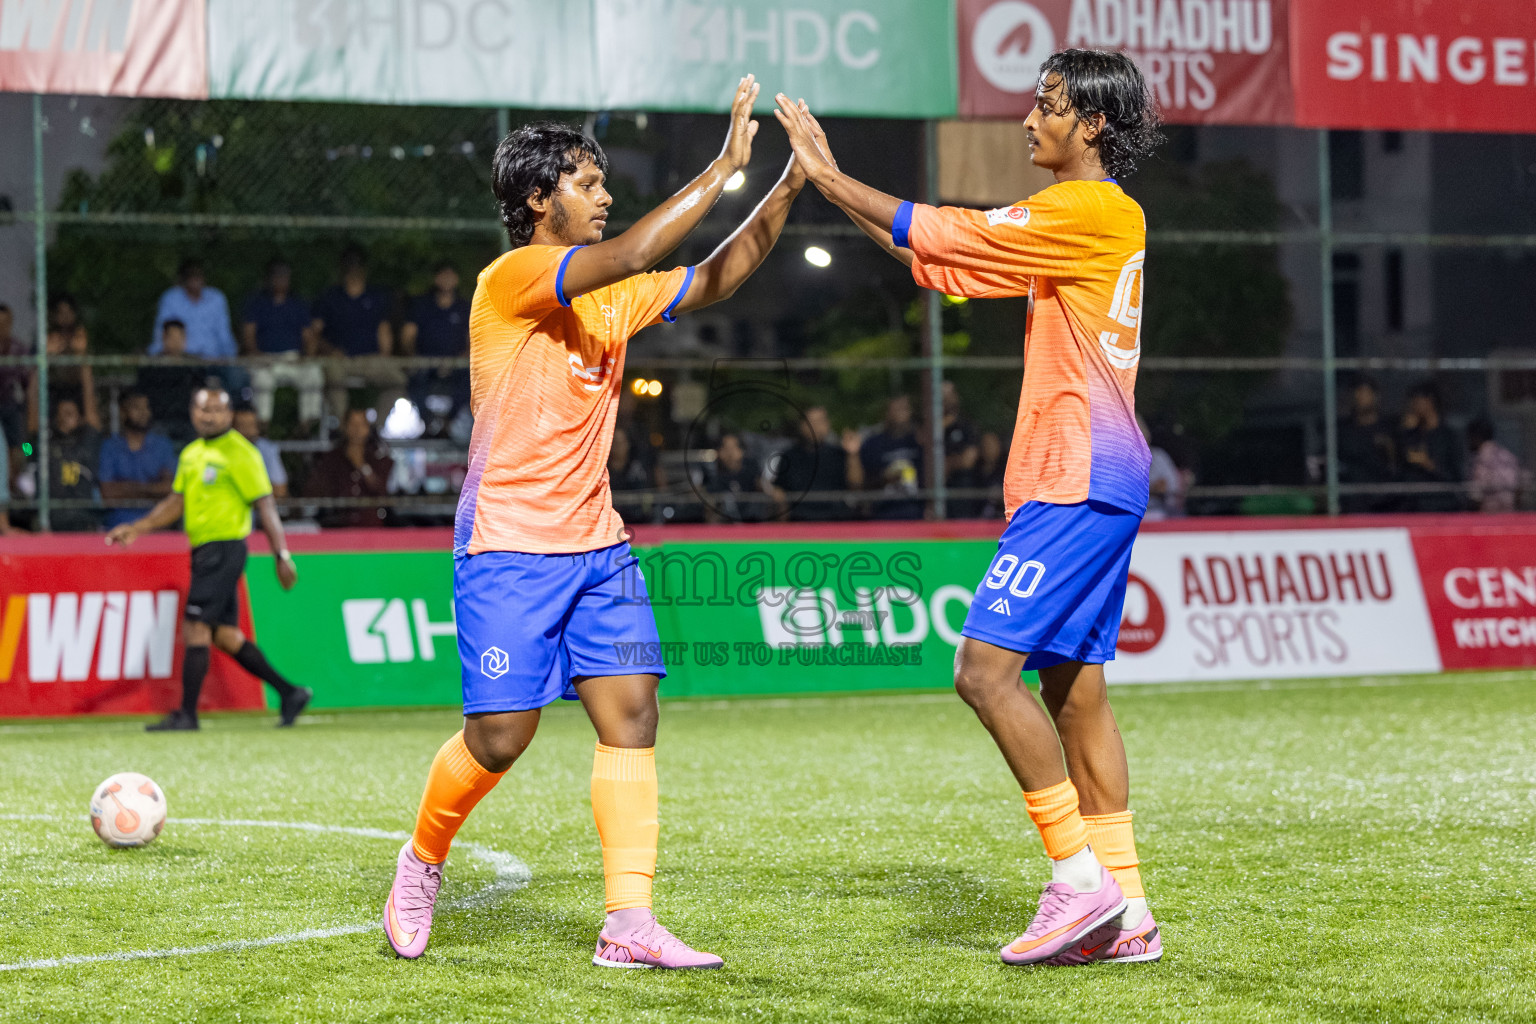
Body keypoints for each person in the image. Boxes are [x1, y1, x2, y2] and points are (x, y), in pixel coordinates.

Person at [383, 76, 803, 970]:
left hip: (599, 547)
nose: (605, 195)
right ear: (540, 199)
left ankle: (628, 923)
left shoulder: (611, 295)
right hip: (508, 543)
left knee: (632, 715)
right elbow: (639, 248)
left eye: (604, 182)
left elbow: (719, 274)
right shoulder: (513, 278)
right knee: (501, 738)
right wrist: (724, 166)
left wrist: (788, 184)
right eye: (587, 182)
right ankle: (421, 860)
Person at [776, 48, 1165, 966]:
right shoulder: (1079, 224)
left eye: (1048, 105)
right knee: (1076, 696)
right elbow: (944, 258)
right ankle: (1131, 912)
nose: (1029, 119)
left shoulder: (1089, 208)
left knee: (984, 671)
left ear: (1092, 124)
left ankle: (1079, 880)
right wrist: (838, 188)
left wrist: (829, 179)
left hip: (1075, 474)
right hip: (1100, 477)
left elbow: (952, 228)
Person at [106, 387, 310, 731]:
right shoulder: (191, 454)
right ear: (192, 412)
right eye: (204, 409)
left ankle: (187, 714)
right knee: (226, 636)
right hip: (203, 551)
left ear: (229, 415)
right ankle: (290, 693)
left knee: (195, 627)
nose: (210, 416)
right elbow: (176, 502)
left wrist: (281, 554)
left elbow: (265, 505)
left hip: (225, 548)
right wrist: (137, 528)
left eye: (217, 410)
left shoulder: (241, 453)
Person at [312, 247, 402, 419]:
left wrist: (384, 356)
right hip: (338, 359)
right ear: (342, 269)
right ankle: (344, 427)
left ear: (364, 269)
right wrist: (330, 350)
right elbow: (315, 333)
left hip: (370, 358)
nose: (353, 270)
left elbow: (383, 330)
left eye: (357, 266)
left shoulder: (376, 296)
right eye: (349, 266)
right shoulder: (330, 296)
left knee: (397, 380)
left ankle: (376, 428)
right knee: (333, 380)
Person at [244, 259, 324, 429]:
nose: (280, 280)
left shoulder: (298, 304)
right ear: (268, 278)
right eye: (277, 276)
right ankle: (261, 426)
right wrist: (256, 354)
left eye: (284, 276)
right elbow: (248, 334)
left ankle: (306, 424)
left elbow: (308, 337)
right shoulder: (257, 303)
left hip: (292, 358)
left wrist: (307, 357)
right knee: (261, 379)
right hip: (265, 358)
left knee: (313, 372)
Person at [402, 262, 473, 435]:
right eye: (443, 275)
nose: (447, 279)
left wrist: (460, 359)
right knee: (414, 380)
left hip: (456, 365)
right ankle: (428, 423)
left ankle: (447, 424)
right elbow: (407, 336)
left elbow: (473, 339)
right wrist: (414, 357)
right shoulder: (422, 304)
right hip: (425, 362)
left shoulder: (464, 307)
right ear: (436, 278)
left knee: (471, 381)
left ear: (456, 279)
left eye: (450, 275)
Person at [98, 391, 177, 530]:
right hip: (117, 525)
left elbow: (168, 489)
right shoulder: (110, 447)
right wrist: (152, 489)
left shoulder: (163, 445)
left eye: (146, 407)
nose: (143, 412)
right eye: (136, 407)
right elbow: (108, 493)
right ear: (123, 412)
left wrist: (126, 488)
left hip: (158, 525)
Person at [769, 406, 863, 521]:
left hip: (835, 518)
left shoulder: (839, 453)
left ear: (828, 424)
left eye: (820, 421)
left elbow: (856, 484)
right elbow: (779, 488)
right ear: (802, 425)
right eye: (811, 422)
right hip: (800, 518)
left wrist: (853, 455)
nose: (815, 426)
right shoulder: (789, 456)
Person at [303, 407, 393, 528]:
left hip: (371, 524)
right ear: (345, 427)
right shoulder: (332, 457)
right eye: (352, 424)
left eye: (361, 424)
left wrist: (362, 466)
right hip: (338, 523)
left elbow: (383, 491)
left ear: (368, 428)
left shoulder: (379, 457)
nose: (357, 429)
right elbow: (316, 489)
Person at [150, 260, 238, 358]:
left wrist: (231, 357)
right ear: (182, 278)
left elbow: (224, 334)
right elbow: (161, 332)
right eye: (190, 275)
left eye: (198, 275)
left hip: (213, 359)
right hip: (182, 359)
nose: (195, 279)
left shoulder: (216, 298)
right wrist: (157, 354)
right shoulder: (171, 298)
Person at [1399, 381, 1462, 513]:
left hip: (1442, 506)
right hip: (1413, 507)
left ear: (1429, 401)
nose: (1413, 407)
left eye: (1417, 401)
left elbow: (1457, 475)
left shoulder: (1449, 436)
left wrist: (1428, 464)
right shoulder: (1411, 435)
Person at [42, 396, 102, 532]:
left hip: (84, 518)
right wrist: (29, 444)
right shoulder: (46, 445)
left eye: (69, 414)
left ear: (80, 418)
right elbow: (27, 447)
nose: (64, 418)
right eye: (60, 414)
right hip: (53, 520)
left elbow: (93, 421)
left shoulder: (88, 444)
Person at [1337, 376, 1396, 513]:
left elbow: (1397, 466)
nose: (1361, 397)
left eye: (1365, 393)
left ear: (1375, 397)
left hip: (1384, 503)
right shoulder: (1343, 430)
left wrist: (1389, 447)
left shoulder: (1389, 429)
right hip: (1351, 503)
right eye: (1357, 393)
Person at [860, 395, 925, 520]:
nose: (901, 414)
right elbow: (863, 483)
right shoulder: (873, 444)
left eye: (904, 409)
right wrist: (885, 478)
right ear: (887, 413)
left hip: (916, 510)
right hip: (884, 511)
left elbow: (932, 475)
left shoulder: (919, 442)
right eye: (896, 409)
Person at [701, 432, 769, 523]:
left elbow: (763, 488)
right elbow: (708, 494)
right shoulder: (713, 472)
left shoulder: (751, 468)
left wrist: (767, 488)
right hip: (724, 521)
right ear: (719, 452)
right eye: (726, 449)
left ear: (741, 451)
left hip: (751, 518)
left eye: (733, 448)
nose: (730, 454)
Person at [942, 381, 983, 518]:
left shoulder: (966, 425)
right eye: (942, 395)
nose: (946, 400)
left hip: (963, 493)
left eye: (949, 395)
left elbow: (968, 460)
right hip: (937, 497)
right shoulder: (929, 428)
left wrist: (946, 464)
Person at [1466, 417, 1520, 513]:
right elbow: (1519, 490)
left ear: (1475, 437)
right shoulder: (1509, 457)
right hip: (1510, 514)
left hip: (1488, 516)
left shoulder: (1479, 460)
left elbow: (1475, 496)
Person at [234, 407, 289, 499]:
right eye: (241, 426)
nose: (246, 431)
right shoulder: (222, 448)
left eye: (250, 425)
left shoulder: (266, 449)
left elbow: (280, 490)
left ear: (257, 428)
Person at [1140, 416, 1184, 521]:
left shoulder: (1159, 456)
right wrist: (1151, 490)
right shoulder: (1116, 461)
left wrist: (1162, 489)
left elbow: (1173, 488)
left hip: (1159, 514)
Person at [0, 302, 28, 446]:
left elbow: (27, 381)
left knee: (22, 440)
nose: (1, 328)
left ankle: (27, 455)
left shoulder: (19, 349)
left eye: (5, 323)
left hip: (12, 405)